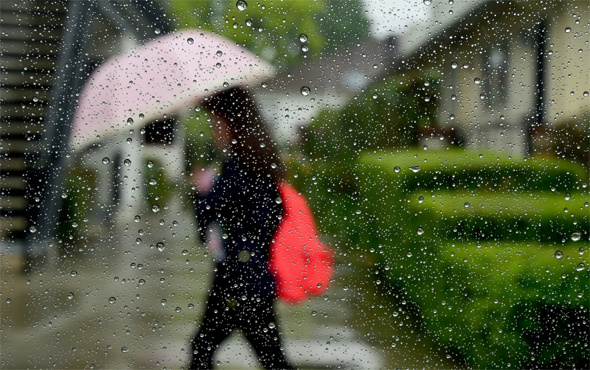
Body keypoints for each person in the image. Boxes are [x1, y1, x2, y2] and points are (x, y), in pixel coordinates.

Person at [189, 87, 293, 369]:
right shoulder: (256, 160)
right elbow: (272, 216)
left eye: (216, 122)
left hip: (241, 278)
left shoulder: (242, 166)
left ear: (231, 122)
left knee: (204, 350)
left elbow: (210, 212)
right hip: (247, 273)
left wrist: (202, 192)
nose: (214, 130)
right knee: (267, 356)